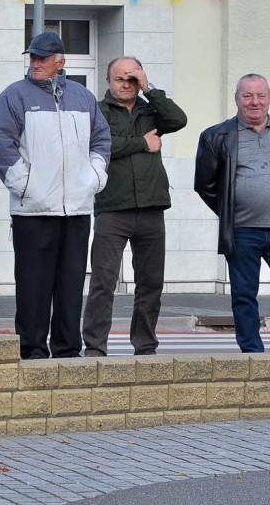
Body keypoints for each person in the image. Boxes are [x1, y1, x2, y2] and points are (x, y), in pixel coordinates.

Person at [0, 32, 111, 359]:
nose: (36, 63)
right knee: (32, 288)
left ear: (61, 62)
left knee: (71, 287)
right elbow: (0, 148)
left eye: (43, 58)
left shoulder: (83, 97)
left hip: (77, 210)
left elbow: (101, 141)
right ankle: (32, 352)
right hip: (33, 211)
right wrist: (27, 185)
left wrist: (94, 178)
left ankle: (68, 351)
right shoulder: (14, 96)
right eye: (33, 57)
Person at [194, 74, 270, 353]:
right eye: (247, 96)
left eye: (260, 95)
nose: (254, 102)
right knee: (244, 295)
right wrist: (231, 210)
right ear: (237, 99)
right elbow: (205, 184)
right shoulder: (218, 136)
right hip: (242, 231)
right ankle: (251, 352)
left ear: (269, 97)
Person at [82, 57, 187, 357]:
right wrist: (142, 143)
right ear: (108, 81)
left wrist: (150, 87)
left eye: (132, 79)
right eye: (120, 79)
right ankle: (95, 347)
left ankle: (145, 346)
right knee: (103, 281)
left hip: (152, 207)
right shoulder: (97, 111)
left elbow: (179, 120)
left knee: (150, 284)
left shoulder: (150, 110)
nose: (126, 84)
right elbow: (99, 145)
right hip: (113, 208)